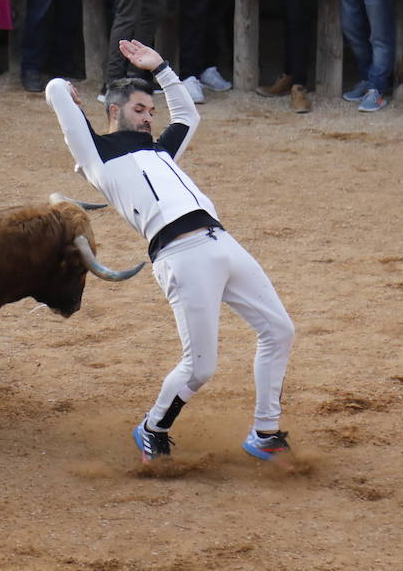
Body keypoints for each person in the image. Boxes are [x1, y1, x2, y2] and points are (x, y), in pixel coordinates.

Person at [45, 40, 296, 466]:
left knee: (279, 331)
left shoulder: (161, 150)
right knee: (199, 369)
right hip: (181, 256)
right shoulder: (97, 157)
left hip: (222, 242)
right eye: (140, 110)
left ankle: (266, 432)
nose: (147, 118)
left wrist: (161, 68)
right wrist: (64, 89)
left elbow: (188, 115)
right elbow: (53, 90)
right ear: (115, 110)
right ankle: (152, 428)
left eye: (150, 112)